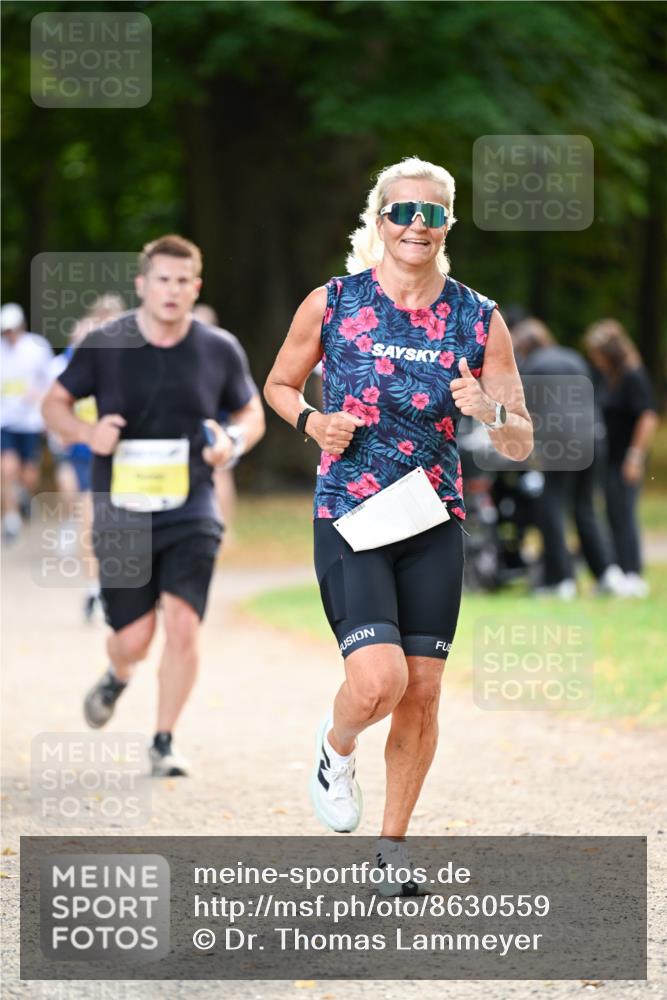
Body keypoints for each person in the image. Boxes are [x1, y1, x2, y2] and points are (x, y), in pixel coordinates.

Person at [264, 156, 533, 892]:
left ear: (448, 223)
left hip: (429, 516)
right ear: (379, 220)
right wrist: (314, 420)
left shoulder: (480, 318)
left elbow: (521, 439)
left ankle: (391, 849)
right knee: (375, 680)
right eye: (403, 212)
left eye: (433, 213)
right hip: (349, 514)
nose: (418, 225)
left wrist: (491, 411)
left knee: (420, 690)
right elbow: (280, 384)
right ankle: (336, 745)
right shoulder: (334, 302)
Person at [42, 234, 265, 775]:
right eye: (162, 280)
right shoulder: (106, 345)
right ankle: (118, 675)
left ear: (196, 288)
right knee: (134, 639)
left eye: (182, 281)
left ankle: (164, 740)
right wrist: (86, 433)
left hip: (191, 507)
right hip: (122, 510)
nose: (172, 290)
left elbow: (250, 412)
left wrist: (229, 444)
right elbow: (54, 402)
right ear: (142, 285)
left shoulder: (219, 348)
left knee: (184, 623)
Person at [511, 317, 626, 598]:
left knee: (550, 508)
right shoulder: (573, 357)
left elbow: (527, 412)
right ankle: (607, 574)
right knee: (585, 508)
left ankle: (561, 580)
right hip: (595, 437)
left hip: (562, 443)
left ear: (524, 345)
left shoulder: (532, 365)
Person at [48, 294, 126, 622]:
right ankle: (95, 585)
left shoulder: (135, 352)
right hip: (88, 449)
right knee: (90, 514)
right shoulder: (79, 354)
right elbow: (56, 400)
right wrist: (74, 432)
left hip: (131, 450)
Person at [584, 319, 659, 598]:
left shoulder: (633, 376)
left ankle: (633, 573)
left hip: (627, 457)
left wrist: (636, 456)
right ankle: (619, 570)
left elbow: (648, 417)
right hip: (610, 457)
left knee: (624, 514)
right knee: (612, 513)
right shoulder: (611, 377)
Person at [1, 302, 53, 543]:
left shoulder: (37, 348)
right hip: (5, 420)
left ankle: (23, 495)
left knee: (29, 474)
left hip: (31, 421)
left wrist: (40, 398)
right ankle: (11, 520)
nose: (8, 335)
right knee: (7, 468)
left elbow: (51, 380)